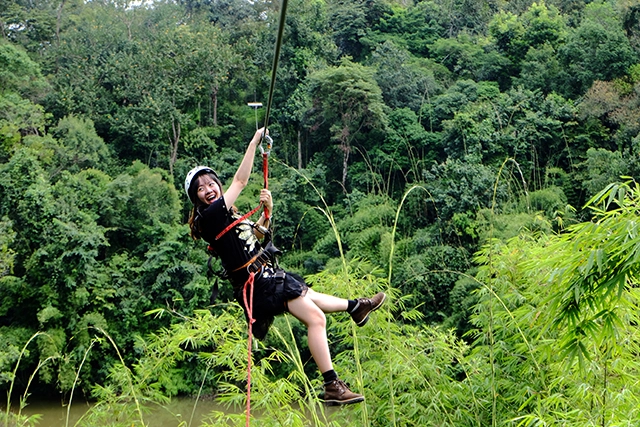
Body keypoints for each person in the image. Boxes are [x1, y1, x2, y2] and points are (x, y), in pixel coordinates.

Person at [184, 127, 386, 406]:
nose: (208, 190)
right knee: (316, 319)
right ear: (196, 199)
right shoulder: (210, 218)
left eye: (210, 184)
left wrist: (267, 212)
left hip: (265, 278)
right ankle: (332, 385)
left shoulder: (227, 215)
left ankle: (356, 307)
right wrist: (254, 141)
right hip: (258, 287)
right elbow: (241, 181)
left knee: (310, 298)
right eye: (201, 189)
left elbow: (254, 237)